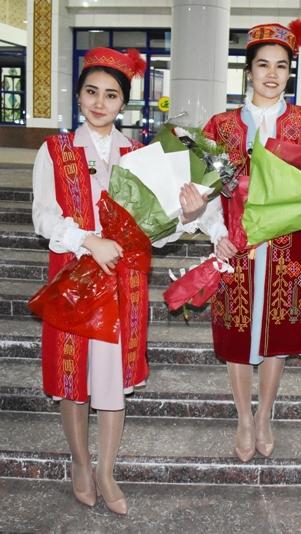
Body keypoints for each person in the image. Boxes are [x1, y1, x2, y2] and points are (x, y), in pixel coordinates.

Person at [32, 47, 208, 514]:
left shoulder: (140, 155)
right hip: (74, 276)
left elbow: (158, 229)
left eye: (111, 95)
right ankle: (80, 462)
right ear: (79, 95)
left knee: (111, 381)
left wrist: (189, 215)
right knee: (73, 377)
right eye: (91, 91)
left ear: (123, 103)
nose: (99, 102)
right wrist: (88, 240)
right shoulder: (55, 151)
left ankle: (106, 471)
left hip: (122, 282)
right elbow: (43, 215)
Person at [199, 20, 301, 462]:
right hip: (236, 246)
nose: (272, 74)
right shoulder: (220, 126)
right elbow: (207, 190)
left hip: (289, 247)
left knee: (279, 329)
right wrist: (218, 234)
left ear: (290, 72)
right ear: (248, 71)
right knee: (238, 330)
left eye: (281, 66)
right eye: (262, 65)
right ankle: (242, 417)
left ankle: (265, 414)